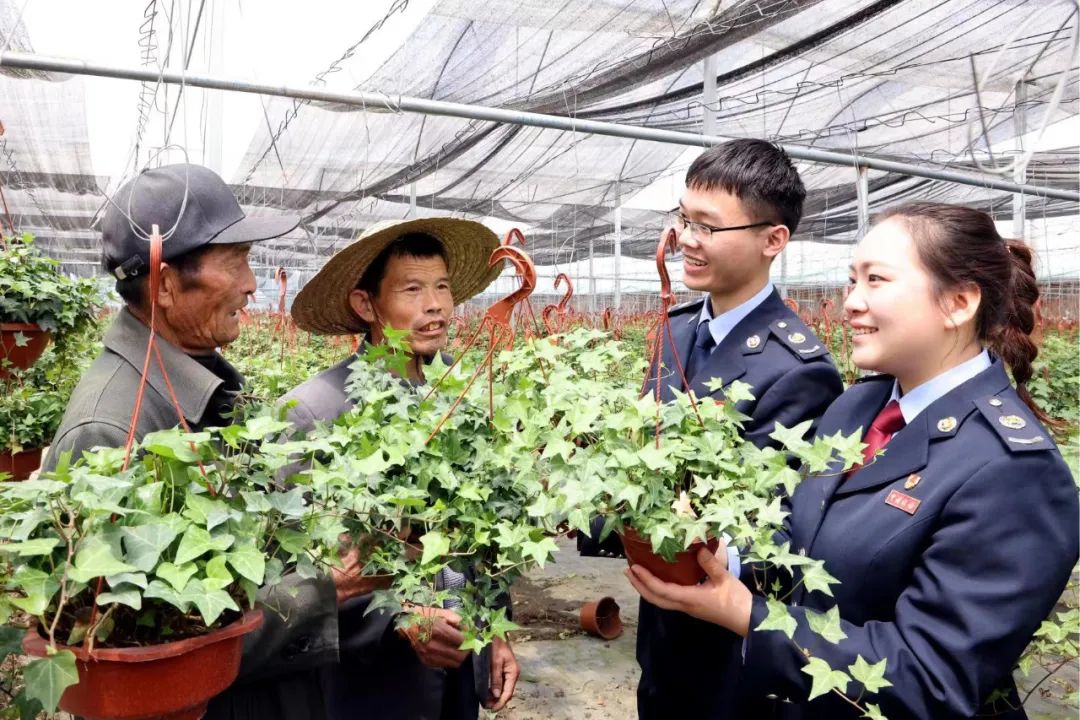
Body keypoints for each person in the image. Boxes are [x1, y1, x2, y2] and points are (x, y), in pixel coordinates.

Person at [626, 202, 1079, 719]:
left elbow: (928, 677)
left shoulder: (1013, 471)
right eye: (850, 281)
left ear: (958, 302)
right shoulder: (859, 406)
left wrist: (747, 614)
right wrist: (722, 560)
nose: (850, 304)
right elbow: (796, 528)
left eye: (876, 281)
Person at [43, 163, 377, 720]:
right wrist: (320, 591)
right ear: (166, 284)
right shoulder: (111, 430)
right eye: (236, 263)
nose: (251, 284)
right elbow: (136, 653)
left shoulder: (196, 381)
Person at [580, 139, 844, 719]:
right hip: (664, 642)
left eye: (707, 226)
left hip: (732, 659)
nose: (687, 241)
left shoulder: (797, 370)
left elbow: (773, 528)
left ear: (773, 239)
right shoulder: (677, 331)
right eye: (683, 219)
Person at [284, 218, 520, 720]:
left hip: (459, 670)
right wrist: (398, 618)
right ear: (365, 304)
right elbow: (296, 580)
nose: (434, 305)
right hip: (373, 684)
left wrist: (495, 629)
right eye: (412, 289)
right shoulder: (315, 412)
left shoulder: (464, 393)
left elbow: (484, 537)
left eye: (442, 288)